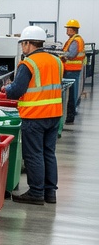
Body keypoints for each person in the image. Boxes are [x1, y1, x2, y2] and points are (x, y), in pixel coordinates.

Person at [6, 26, 65, 205]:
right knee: (49, 153)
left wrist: (7, 88)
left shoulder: (28, 64)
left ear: (27, 43)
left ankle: (36, 192)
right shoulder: (56, 61)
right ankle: (50, 193)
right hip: (54, 114)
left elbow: (16, 91)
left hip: (35, 116)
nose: (22, 48)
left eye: (22, 44)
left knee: (33, 154)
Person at [61, 19, 85, 124]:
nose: (67, 30)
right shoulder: (73, 39)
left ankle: (70, 117)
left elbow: (71, 54)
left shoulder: (75, 40)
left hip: (72, 70)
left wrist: (61, 55)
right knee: (71, 93)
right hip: (72, 70)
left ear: (73, 30)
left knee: (71, 94)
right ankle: (70, 115)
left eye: (68, 28)